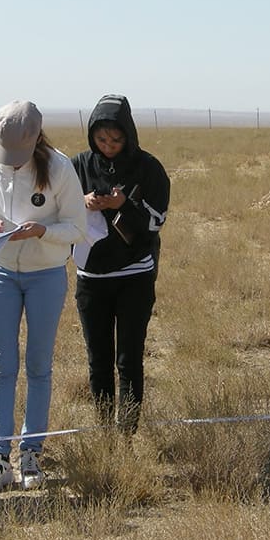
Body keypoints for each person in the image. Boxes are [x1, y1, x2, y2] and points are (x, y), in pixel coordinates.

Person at [0, 100, 85, 493]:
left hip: (45, 275)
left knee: (38, 364)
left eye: (19, 156)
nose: (12, 163)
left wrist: (41, 232)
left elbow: (76, 228)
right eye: (6, 156)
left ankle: (31, 452)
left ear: (35, 140)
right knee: (2, 364)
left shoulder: (60, 168)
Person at [71, 95, 170, 436]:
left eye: (116, 140)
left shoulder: (149, 167)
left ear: (129, 135)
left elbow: (158, 220)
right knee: (98, 359)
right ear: (91, 136)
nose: (109, 146)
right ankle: (103, 434)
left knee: (128, 360)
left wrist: (125, 204)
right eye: (101, 140)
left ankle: (126, 434)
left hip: (135, 278)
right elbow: (54, 211)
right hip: (91, 280)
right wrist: (80, 203)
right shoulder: (76, 166)